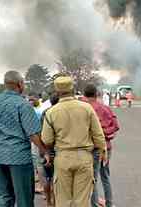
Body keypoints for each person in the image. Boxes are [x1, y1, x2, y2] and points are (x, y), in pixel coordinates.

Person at [0, 71, 50, 207]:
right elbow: (33, 134)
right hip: (19, 157)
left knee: (4, 198)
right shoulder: (23, 105)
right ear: (20, 84)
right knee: (24, 198)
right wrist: (45, 151)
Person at [41, 76, 107, 207]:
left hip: (63, 158)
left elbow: (47, 140)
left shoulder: (51, 112)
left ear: (57, 92)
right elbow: (98, 135)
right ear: (73, 89)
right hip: (84, 157)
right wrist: (102, 152)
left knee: (64, 200)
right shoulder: (87, 108)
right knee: (82, 201)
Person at [83, 84, 120, 207]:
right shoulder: (105, 108)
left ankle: (94, 205)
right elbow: (116, 126)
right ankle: (109, 204)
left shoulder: (84, 109)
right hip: (106, 147)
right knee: (105, 177)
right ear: (97, 94)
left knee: (93, 179)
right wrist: (107, 134)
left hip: (92, 148)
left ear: (84, 95)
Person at [40, 93, 59, 207]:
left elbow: (41, 132)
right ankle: (56, 202)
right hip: (58, 150)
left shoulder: (45, 113)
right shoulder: (60, 112)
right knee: (58, 180)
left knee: (48, 178)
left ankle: (48, 202)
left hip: (46, 150)